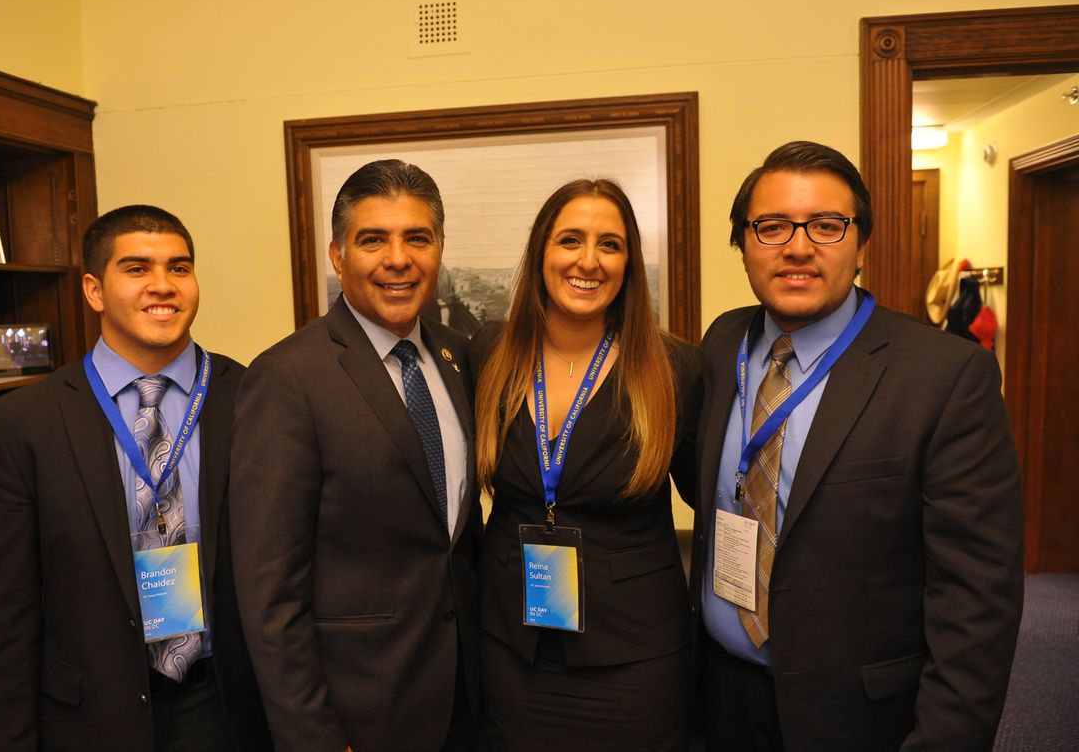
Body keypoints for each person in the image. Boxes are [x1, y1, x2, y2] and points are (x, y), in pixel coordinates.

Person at [692, 141, 1023, 751]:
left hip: (857, 714)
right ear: (743, 245)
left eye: (826, 225)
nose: (797, 247)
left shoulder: (944, 377)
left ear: (861, 243)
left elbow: (977, 600)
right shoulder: (721, 343)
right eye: (771, 227)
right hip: (721, 695)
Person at [0, 205, 271, 751]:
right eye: (137, 269)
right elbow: (0, 620)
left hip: (227, 711)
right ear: (94, 289)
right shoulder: (26, 423)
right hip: (91, 719)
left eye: (179, 268)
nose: (163, 286)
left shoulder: (254, 397)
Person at [230, 159, 481, 751]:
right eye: (373, 239)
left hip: (464, 701)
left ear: (439, 250)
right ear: (338, 255)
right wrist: (313, 737)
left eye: (417, 238)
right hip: (357, 714)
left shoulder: (457, 356)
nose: (399, 259)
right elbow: (270, 594)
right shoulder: (287, 378)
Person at [473, 179, 700, 751]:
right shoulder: (487, 353)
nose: (588, 261)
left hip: (635, 656)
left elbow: (716, 497)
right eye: (570, 240)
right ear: (541, 252)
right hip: (510, 645)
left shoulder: (675, 369)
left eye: (611, 244)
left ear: (629, 263)